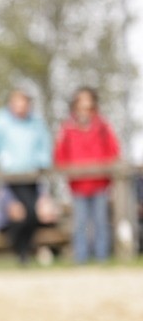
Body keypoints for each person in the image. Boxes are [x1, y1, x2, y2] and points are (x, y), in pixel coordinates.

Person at [0, 89, 53, 264]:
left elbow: (44, 144)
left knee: (34, 214)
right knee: (16, 214)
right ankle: (21, 252)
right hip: (9, 179)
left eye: (23, 103)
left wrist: (43, 162)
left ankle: (25, 252)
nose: (20, 107)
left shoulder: (36, 122)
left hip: (32, 177)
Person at [53, 87, 120, 264]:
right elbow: (60, 154)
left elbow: (113, 151)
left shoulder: (103, 126)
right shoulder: (67, 129)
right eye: (81, 102)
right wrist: (65, 170)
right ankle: (80, 259)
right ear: (75, 105)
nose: (84, 106)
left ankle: (102, 258)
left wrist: (108, 172)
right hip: (77, 185)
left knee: (101, 222)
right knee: (80, 223)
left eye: (88, 102)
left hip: (100, 183)